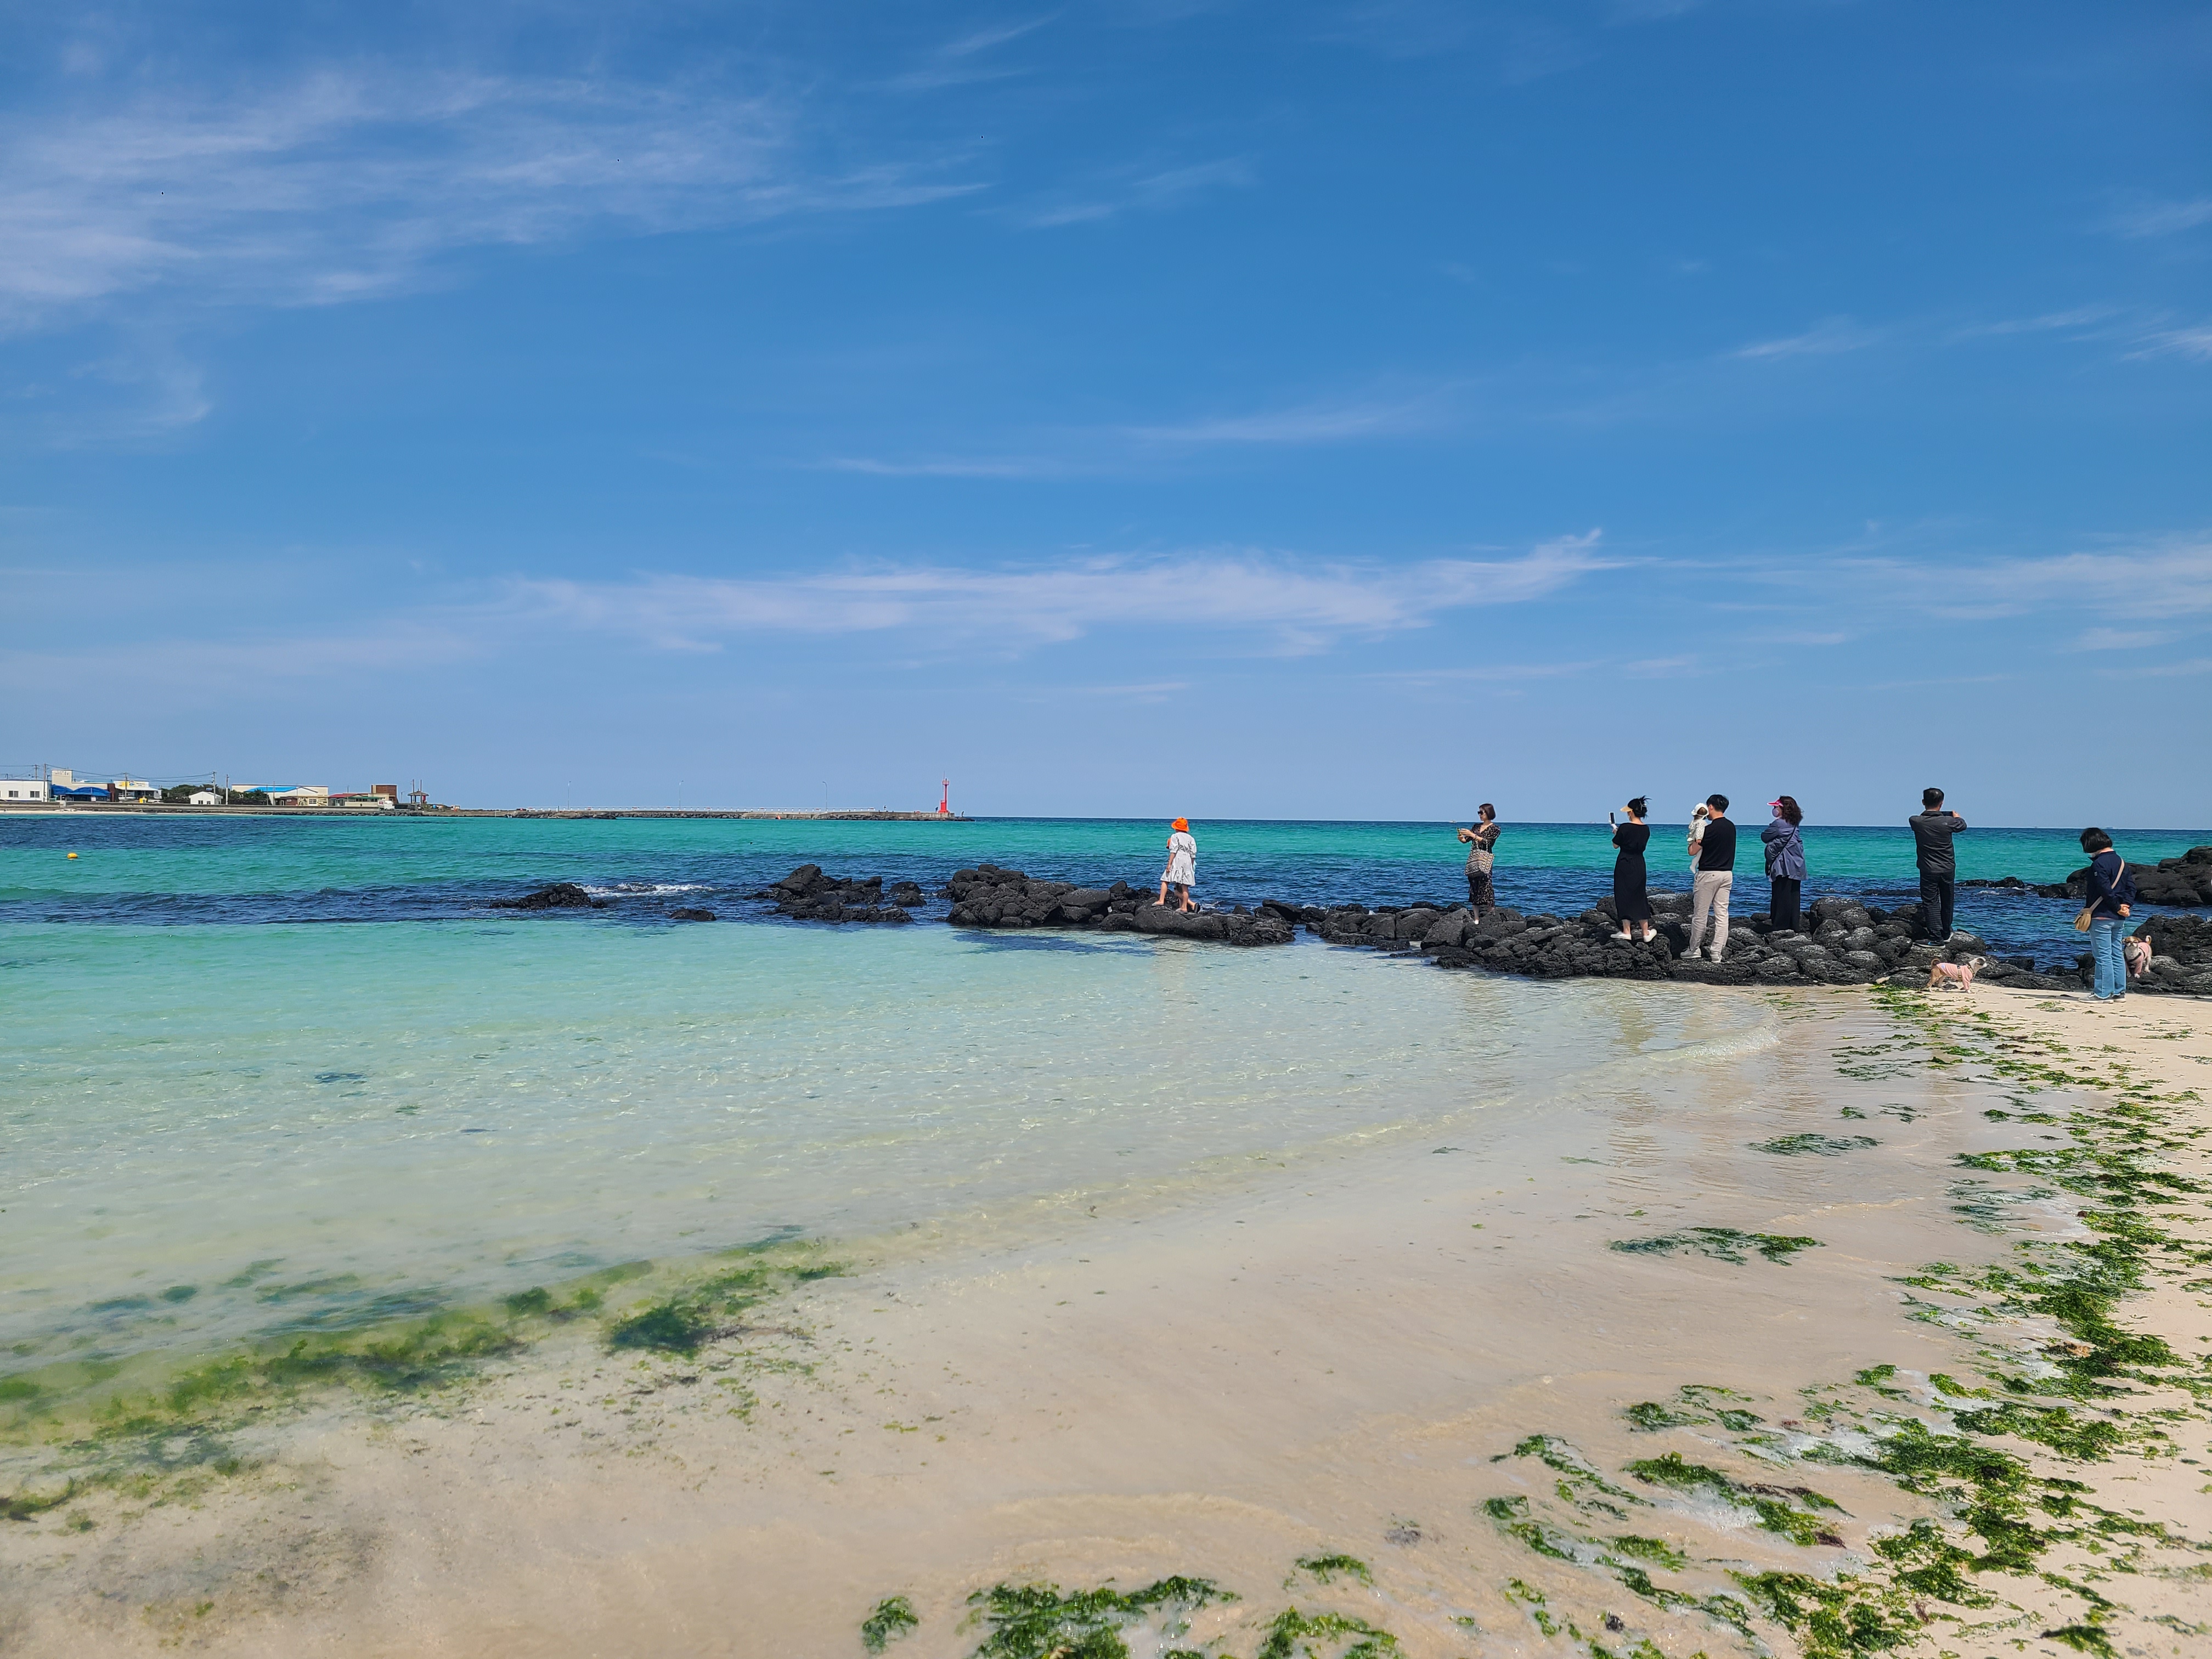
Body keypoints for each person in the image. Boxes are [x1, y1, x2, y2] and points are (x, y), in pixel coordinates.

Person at [2080, 828, 2137, 1002]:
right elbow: (2131, 887)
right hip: (2118, 918)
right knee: (2116, 954)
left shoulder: (2098, 864)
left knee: (2103, 956)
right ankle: (2119, 992)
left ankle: (2102, 993)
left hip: (2102, 915)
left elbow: (2105, 890)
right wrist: (2126, 905)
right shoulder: (2121, 861)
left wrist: (2117, 907)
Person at [1909, 788, 1968, 941]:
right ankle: (1946, 932)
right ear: (1941, 803)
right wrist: (1956, 817)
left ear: (1923, 802)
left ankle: (1936, 938)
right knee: (1947, 899)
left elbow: (1924, 818)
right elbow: (1962, 825)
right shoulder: (1949, 822)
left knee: (1931, 902)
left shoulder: (1916, 821)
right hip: (1948, 867)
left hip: (1928, 868)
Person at [1683, 794, 1736, 961]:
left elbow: (1692, 851)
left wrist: (1692, 838)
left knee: (1700, 915)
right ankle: (1716, 953)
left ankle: (1694, 949)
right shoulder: (1731, 827)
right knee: (1722, 915)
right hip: (1726, 874)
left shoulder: (1708, 829)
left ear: (1711, 807)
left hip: (1708, 874)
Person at [1607, 798, 1654, 942]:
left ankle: (1627, 931)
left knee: (1623, 894)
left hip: (1624, 863)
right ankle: (1646, 932)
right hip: (1639, 863)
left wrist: (1617, 833)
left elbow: (1616, 845)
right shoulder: (1646, 829)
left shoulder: (1625, 827)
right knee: (1640, 895)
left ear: (1632, 812)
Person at [1763, 796, 1807, 933]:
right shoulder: (1794, 823)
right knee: (1794, 895)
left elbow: (1765, 837)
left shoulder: (1779, 824)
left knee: (1781, 894)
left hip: (1783, 865)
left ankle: (1780, 926)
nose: (1774, 810)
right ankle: (1794, 925)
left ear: (1783, 809)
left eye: (1776, 807)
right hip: (1797, 864)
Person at [1456, 804, 1499, 917]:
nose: (1480, 815)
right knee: (1474, 884)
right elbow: (1466, 840)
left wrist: (1473, 835)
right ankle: (1476, 917)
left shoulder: (1495, 829)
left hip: (1485, 858)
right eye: (1479, 812)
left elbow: (1488, 842)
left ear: (1488, 813)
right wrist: (1462, 838)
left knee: (1487, 883)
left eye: (1482, 812)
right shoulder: (1476, 827)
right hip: (1474, 858)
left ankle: (1492, 914)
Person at [1158, 818, 1198, 912]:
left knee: (1165, 879)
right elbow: (1193, 854)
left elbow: (1173, 851)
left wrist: (1169, 864)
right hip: (1187, 861)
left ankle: (1161, 900)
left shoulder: (1175, 836)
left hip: (1178, 860)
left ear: (1176, 828)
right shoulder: (1191, 838)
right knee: (1184, 886)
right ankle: (1184, 907)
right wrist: (1191, 866)